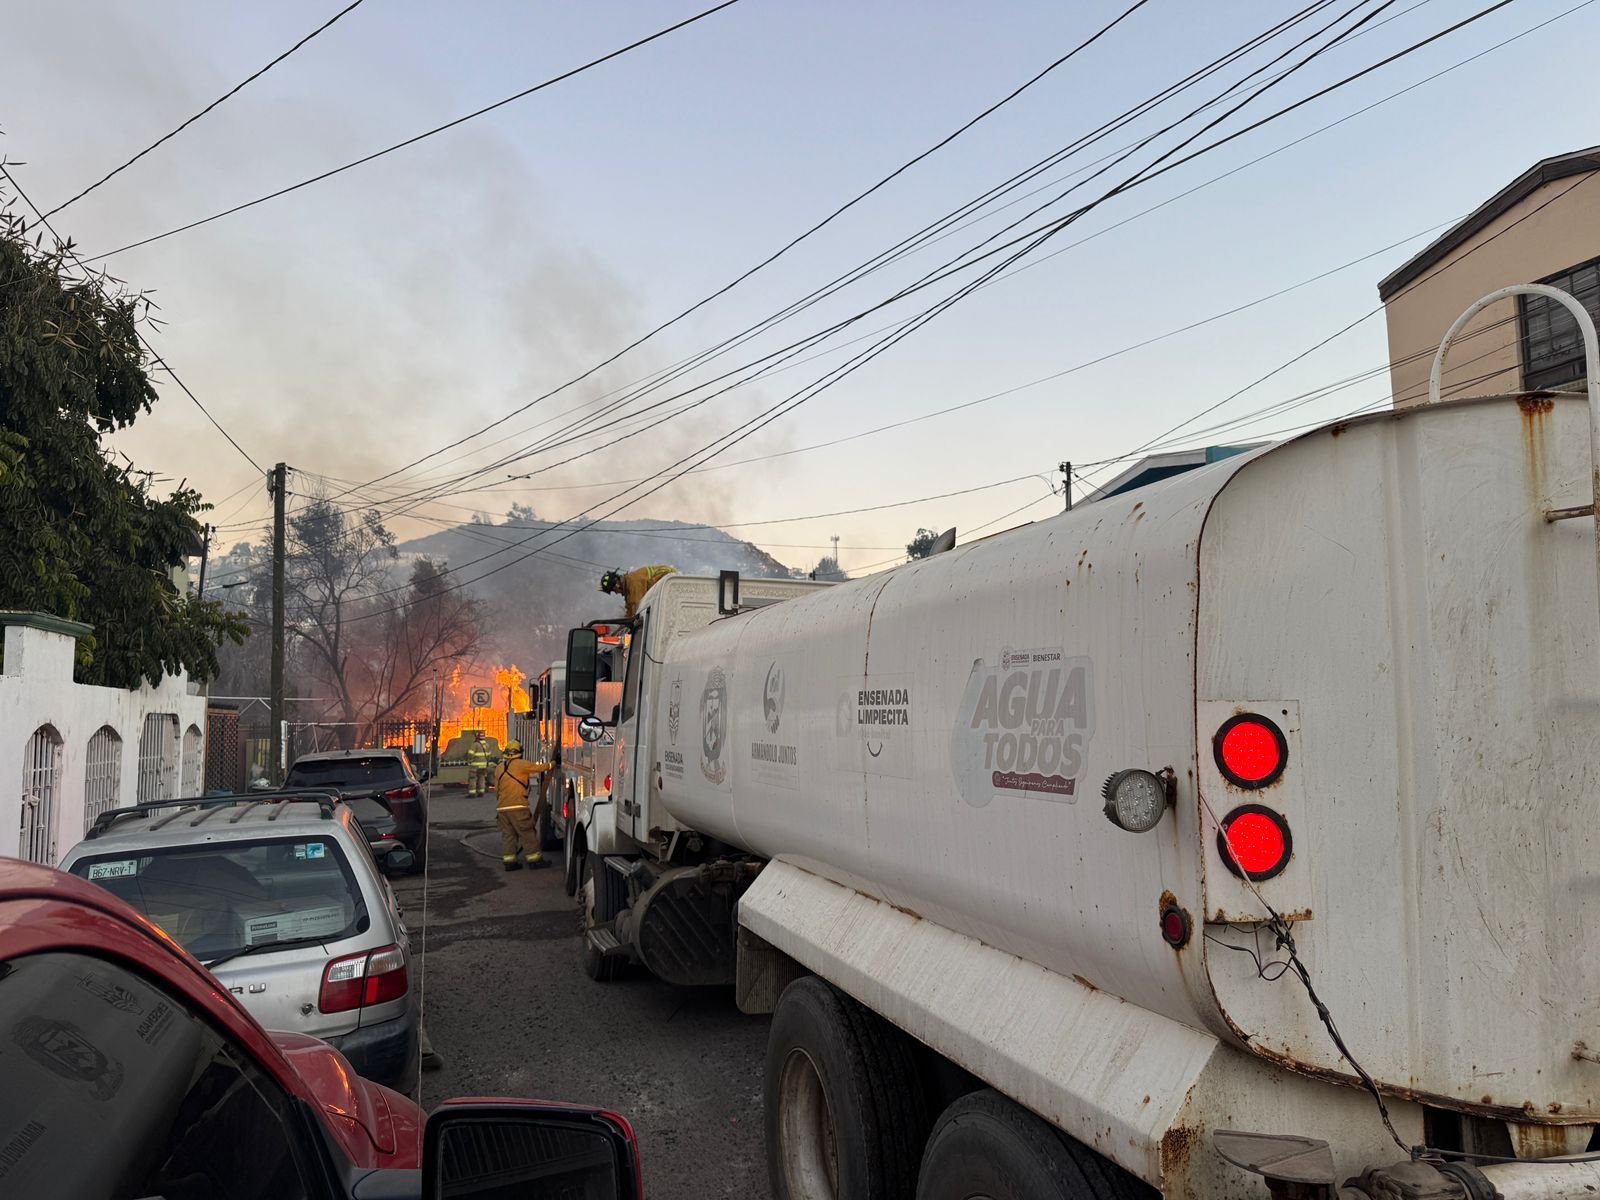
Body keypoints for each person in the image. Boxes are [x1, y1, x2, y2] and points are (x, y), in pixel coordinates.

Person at [495, 739, 552, 871]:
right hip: (518, 807)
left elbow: (497, 790)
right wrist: (553, 763)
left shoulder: (499, 768)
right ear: (519, 752)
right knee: (527, 833)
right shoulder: (521, 764)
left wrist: (500, 805)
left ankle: (510, 863)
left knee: (508, 835)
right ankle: (535, 861)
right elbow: (539, 768)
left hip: (502, 808)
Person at [599, 564, 677, 619]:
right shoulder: (629, 588)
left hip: (671, 581)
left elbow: (639, 610)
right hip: (666, 586)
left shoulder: (633, 583)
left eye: (614, 590)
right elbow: (629, 613)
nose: (616, 593)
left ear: (617, 585)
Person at [466, 731, 494, 797]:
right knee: (482, 778)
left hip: (475, 765)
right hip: (484, 765)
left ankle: (472, 793)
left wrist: (470, 760)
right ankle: (481, 792)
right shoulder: (487, 745)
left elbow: (470, 754)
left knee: (472, 778)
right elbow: (489, 756)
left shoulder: (475, 745)